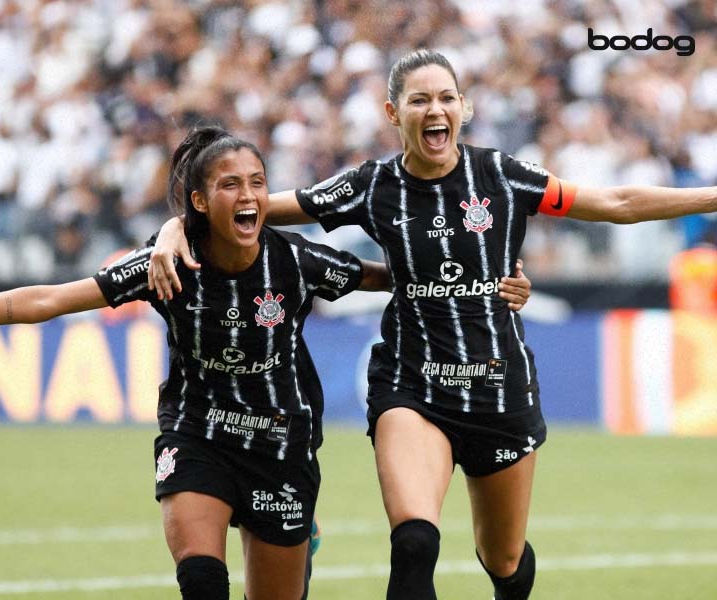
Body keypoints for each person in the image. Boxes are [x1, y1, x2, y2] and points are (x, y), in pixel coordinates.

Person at [147, 49, 717, 600]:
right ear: (394, 114)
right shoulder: (371, 185)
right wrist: (178, 227)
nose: (435, 110)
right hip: (412, 384)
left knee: (505, 559)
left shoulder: (504, 175)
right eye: (420, 100)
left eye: (446, 98)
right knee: (415, 541)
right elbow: (253, 206)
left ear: (463, 107)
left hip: (498, 386)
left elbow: (615, 200)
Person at [0, 126, 397, 600]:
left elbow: (377, 278)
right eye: (230, 184)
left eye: (257, 181)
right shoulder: (166, 263)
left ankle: (300, 525)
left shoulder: (294, 260)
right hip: (198, 435)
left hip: (279, 443)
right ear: (201, 202)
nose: (248, 194)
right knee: (202, 582)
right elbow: (48, 300)